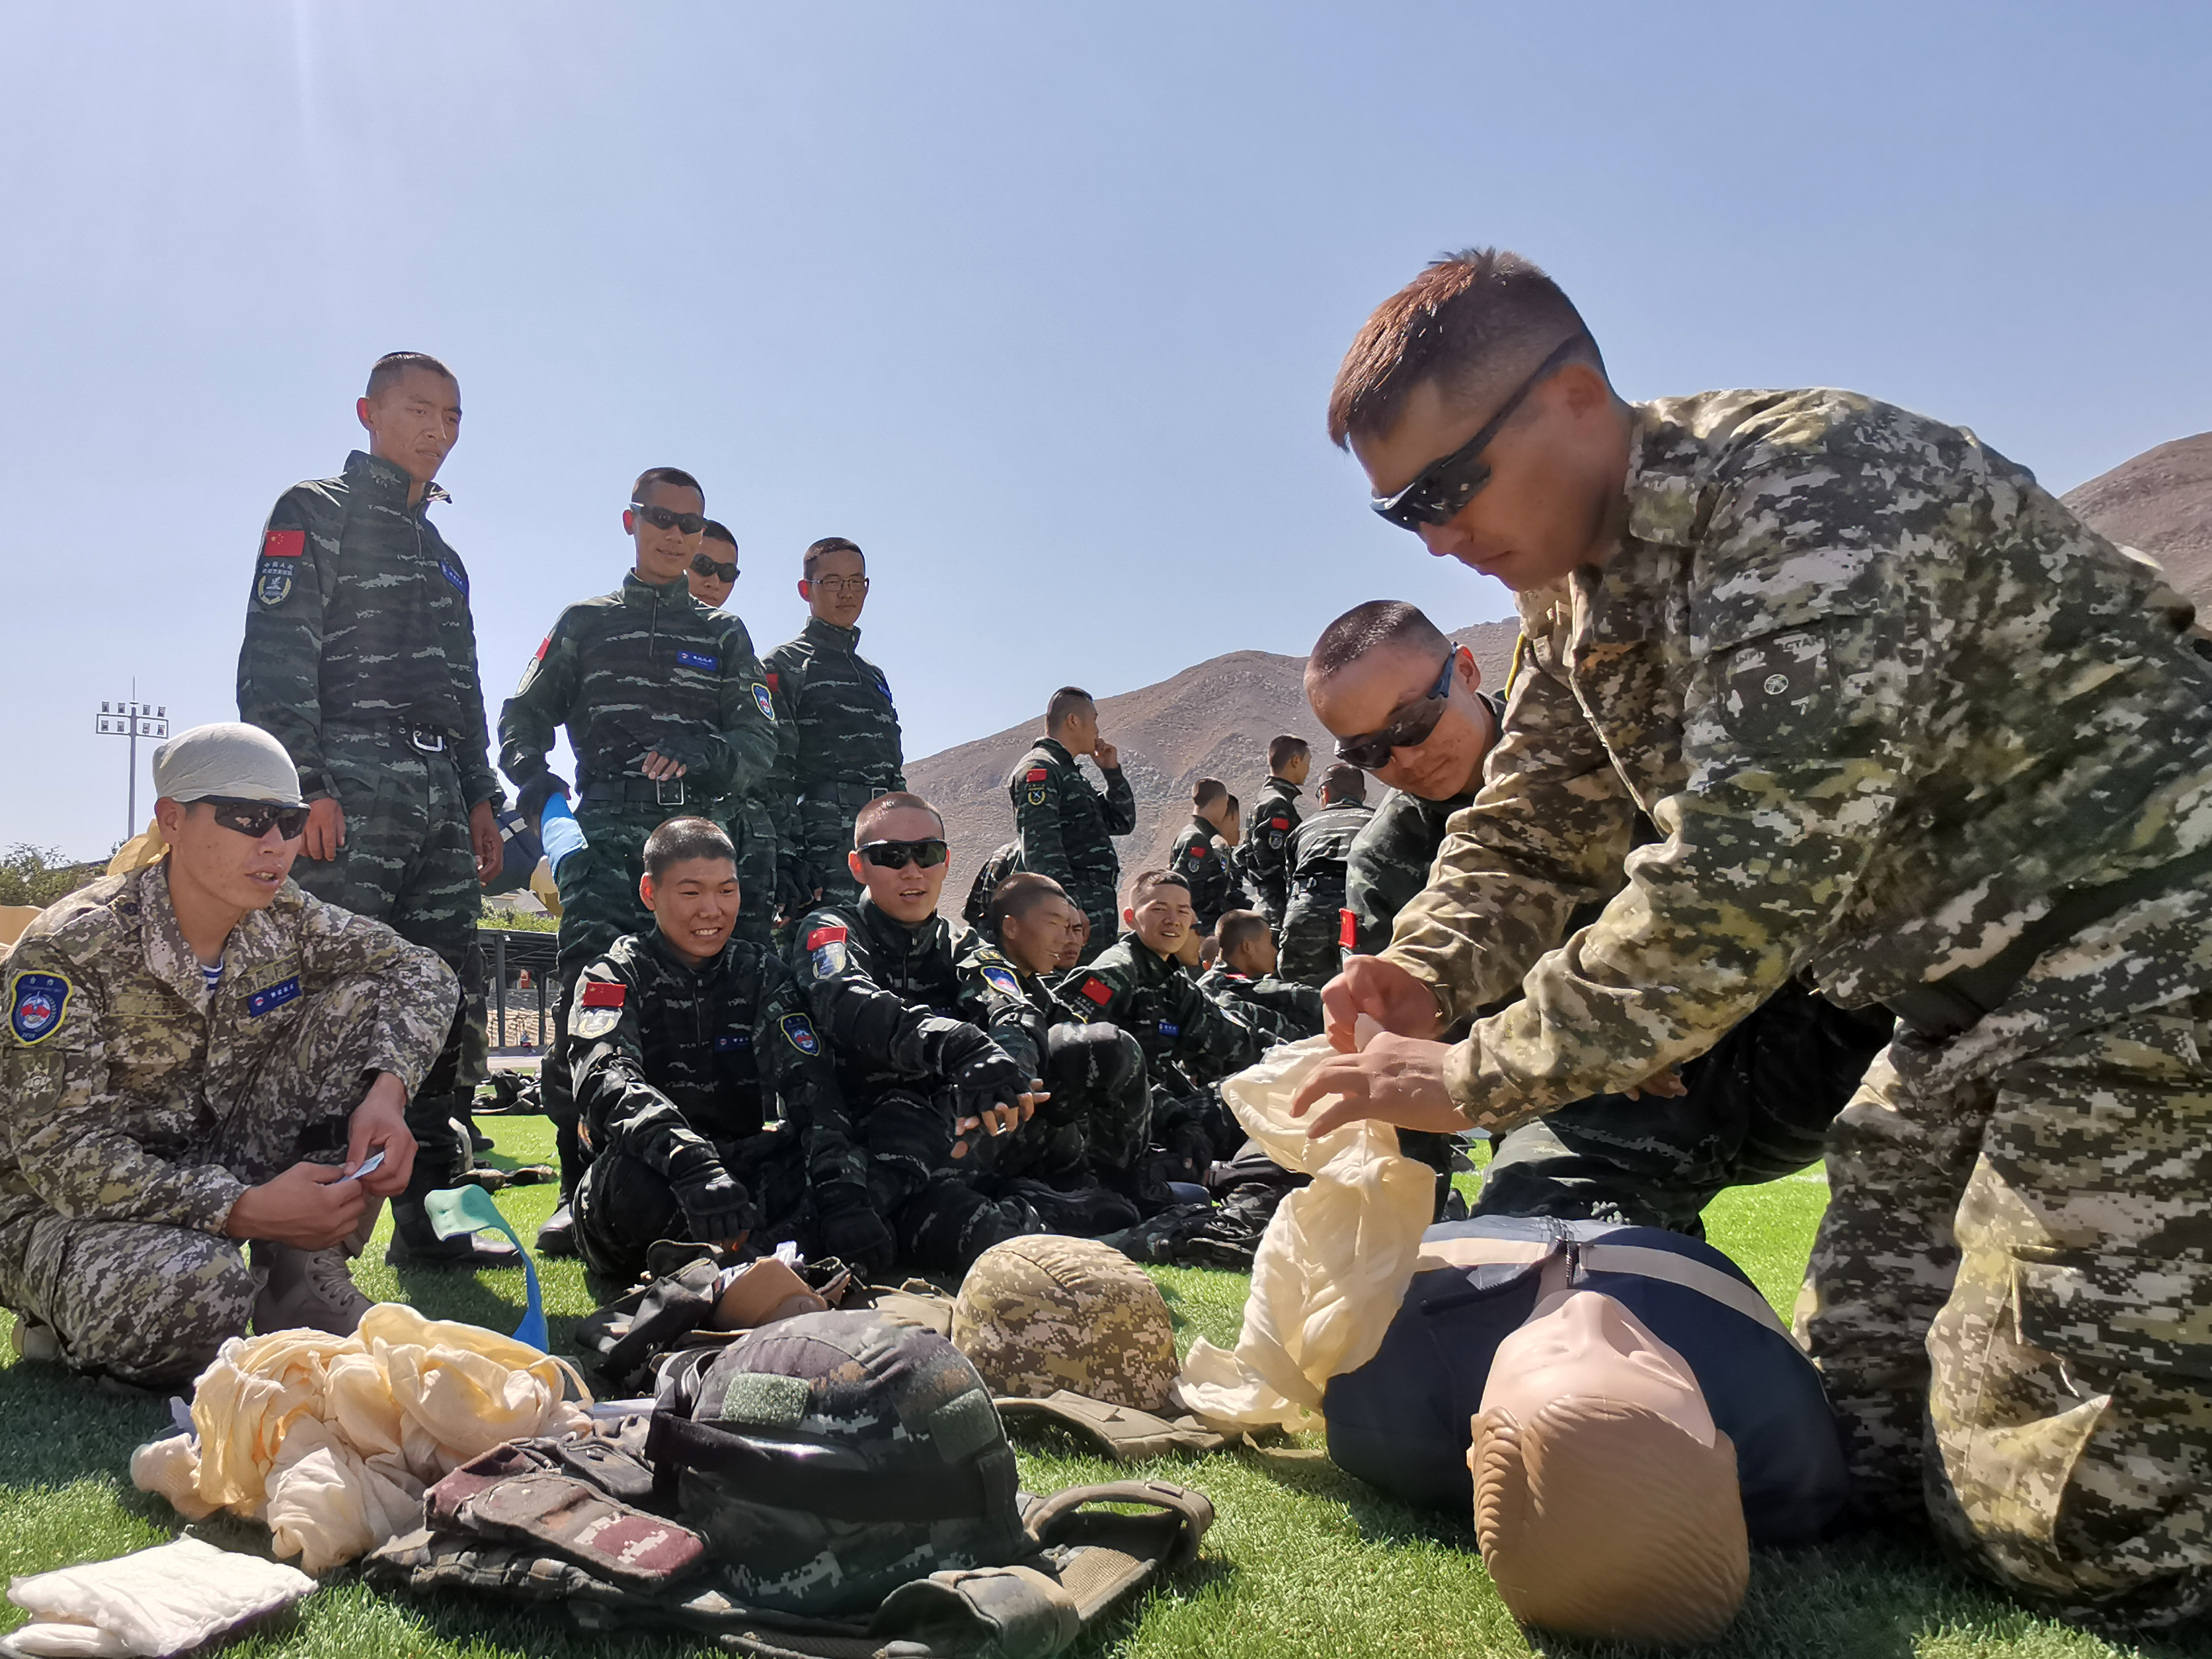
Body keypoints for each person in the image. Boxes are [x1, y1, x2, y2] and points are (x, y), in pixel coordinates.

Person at [1298, 247, 2212, 1629]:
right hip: (1955, 1013)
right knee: (1860, 1453)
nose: (1432, 539)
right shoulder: (1576, 596)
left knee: (2096, 1536)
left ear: (1572, 400)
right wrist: (1419, 972)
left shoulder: (1806, 494)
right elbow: (1531, 823)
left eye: (1444, 488)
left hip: (2142, 959)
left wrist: (1473, 1076)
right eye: (1399, 512)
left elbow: (1741, 875)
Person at [0, 725, 448, 1386]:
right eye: (246, 818)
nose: (275, 843)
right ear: (171, 820)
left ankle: (299, 1276)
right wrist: (241, 1208)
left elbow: (421, 971)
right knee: (201, 1291)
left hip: (215, 1161)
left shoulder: (285, 915)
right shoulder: (71, 948)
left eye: (289, 822)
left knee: (362, 998)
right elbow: (61, 1154)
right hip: (63, 1208)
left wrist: (388, 1094)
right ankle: (54, 1318)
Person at [235, 352, 508, 1268]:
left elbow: (466, 688)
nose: (438, 430)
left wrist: (480, 793)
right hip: (347, 782)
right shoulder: (315, 510)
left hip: (439, 792)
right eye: (419, 410)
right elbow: (277, 655)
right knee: (334, 1000)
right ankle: (305, 1236)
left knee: (441, 1000)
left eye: (452, 416)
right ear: (369, 412)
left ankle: (433, 1218)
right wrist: (303, 783)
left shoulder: (445, 556)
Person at [1325, 1215, 1850, 1644]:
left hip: (1499, 1233)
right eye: (1646, 1359)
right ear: (1724, 1447)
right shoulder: (1777, 1416)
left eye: (1550, 1349)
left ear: (1476, 1446)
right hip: (1654, 1230)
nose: (1588, 1311)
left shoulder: (1380, 1393)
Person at [498, 466, 781, 1255]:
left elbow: (760, 743)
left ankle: (713, 1170)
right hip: (605, 845)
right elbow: (523, 716)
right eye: (661, 517)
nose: (675, 534)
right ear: (632, 521)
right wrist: (537, 785)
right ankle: (578, 1185)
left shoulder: (724, 634)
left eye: (690, 524)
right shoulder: (585, 622)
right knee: (588, 1008)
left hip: (698, 845)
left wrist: (703, 748)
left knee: (713, 1010)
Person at [567, 818, 859, 1284]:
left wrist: (843, 1197)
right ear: (649, 893)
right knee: (627, 1186)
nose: (712, 910)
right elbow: (606, 1076)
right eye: (691, 893)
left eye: (727, 891)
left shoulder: (761, 972)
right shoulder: (614, 975)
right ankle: (752, 1258)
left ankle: (742, 1257)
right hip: (658, 1171)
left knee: (839, 1163)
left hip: (739, 1166)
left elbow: (808, 1080)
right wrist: (690, 1163)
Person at [788, 794, 1072, 1270]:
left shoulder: (961, 943)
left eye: (927, 854)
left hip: (965, 1125)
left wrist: (1003, 1077)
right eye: (890, 856)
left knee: (1091, 1050)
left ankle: (1103, 1192)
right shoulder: (833, 930)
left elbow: (1014, 1009)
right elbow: (845, 1000)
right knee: (962, 1227)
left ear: (946, 861)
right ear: (858, 867)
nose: (912, 871)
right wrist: (960, 1046)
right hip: (871, 1143)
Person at [1057, 871, 1263, 1186]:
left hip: (1157, 1112)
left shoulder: (1171, 980)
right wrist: (1175, 1116)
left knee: (1259, 1090)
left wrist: (1289, 1056)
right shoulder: (1115, 974)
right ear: (1131, 918)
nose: (1173, 920)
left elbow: (1232, 1038)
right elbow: (1071, 1060)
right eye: (1158, 909)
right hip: (1107, 1130)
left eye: (1182, 911)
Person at [984, 873, 1151, 1200]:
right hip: (982, 1135)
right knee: (1108, 1047)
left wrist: (1175, 1115)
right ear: (1011, 927)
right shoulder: (986, 977)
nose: (1065, 940)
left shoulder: (1035, 989)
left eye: (1072, 928)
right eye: (1055, 925)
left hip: (1024, 1128)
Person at [763, 537, 906, 916]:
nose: (847, 593)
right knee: (828, 940)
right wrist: (786, 854)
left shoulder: (872, 675)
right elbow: (774, 771)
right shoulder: (785, 665)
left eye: (856, 581)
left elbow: (892, 765)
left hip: (884, 838)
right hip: (823, 844)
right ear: (805, 589)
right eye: (833, 582)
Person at [685, 520, 779, 952]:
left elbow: (766, 752)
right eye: (703, 565)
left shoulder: (732, 641)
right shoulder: (619, 627)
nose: (714, 581)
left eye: (728, 573)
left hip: (738, 839)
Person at [1009, 688, 1136, 962]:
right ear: (1073, 721)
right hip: (1073, 916)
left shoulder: (1068, 772)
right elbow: (1041, 847)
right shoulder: (1040, 769)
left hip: (1092, 908)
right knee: (1070, 986)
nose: (1098, 730)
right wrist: (1066, 906)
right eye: (1094, 720)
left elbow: (1122, 821)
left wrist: (1112, 773)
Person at [1276, 763, 1374, 987]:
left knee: (1303, 994)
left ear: (1325, 793)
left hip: (1306, 912)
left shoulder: (1302, 830)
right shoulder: (1376, 822)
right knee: (1363, 992)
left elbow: (1289, 887)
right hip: (1358, 911)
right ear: (1363, 795)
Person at [1197, 908, 1323, 1045]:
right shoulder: (1227, 991)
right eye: (1269, 942)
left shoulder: (1213, 982)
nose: (1274, 951)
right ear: (1248, 947)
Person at [1241, 736, 1311, 929]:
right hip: (1277, 909)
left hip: (1271, 903)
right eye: (1307, 763)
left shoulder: (1267, 798)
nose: (1308, 770)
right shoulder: (1276, 804)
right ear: (1296, 761)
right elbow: (1273, 862)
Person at [1166, 779, 1240, 937]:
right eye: (1225, 804)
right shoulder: (1197, 839)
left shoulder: (1196, 833)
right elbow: (1186, 890)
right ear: (1218, 803)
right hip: (1198, 929)